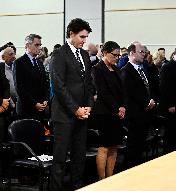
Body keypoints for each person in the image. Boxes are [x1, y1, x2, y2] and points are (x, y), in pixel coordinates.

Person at [50, 18, 94, 190]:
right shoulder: (60, 54)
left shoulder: (83, 54)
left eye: (86, 37)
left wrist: (89, 105)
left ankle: (77, 186)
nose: (84, 41)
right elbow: (59, 85)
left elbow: (89, 84)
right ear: (71, 34)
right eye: (82, 37)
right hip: (64, 115)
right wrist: (75, 109)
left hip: (82, 114)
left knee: (79, 156)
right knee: (60, 158)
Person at [91, 41, 125, 179]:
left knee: (114, 146)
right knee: (104, 146)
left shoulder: (117, 69)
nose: (117, 58)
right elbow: (103, 92)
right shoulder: (97, 69)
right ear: (105, 53)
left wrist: (123, 106)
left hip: (117, 113)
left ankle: (110, 176)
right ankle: (102, 179)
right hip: (104, 112)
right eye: (114, 55)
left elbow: (123, 91)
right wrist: (117, 108)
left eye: (118, 55)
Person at [121, 42, 156, 168]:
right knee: (133, 149)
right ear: (132, 53)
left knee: (140, 147)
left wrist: (150, 101)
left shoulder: (143, 69)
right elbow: (129, 94)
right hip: (134, 116)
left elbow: (147, 89)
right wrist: (147, 102)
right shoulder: (126, 71)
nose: (144, 54)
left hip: (144, 114)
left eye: (144, 52)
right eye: (141, 52)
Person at [14, 34, 49, 121]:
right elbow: (20, 88)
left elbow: (44, 83)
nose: (40, 47)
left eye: (40, 45)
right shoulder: (19, 62)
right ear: (27, 45)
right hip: (26, 109)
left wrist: (45, 99)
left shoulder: (39, 63)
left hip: (40, 108)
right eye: (36, 45)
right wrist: (34, 104)